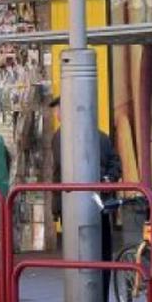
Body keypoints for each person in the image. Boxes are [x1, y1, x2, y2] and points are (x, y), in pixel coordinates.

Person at [48, 95, 124, 263]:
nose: (57, 115)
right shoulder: (99, 135)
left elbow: (63, 169)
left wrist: (108, 179)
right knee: (101, 250)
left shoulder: (62, 137)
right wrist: (108, 180)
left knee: (81, 253)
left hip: (74, 202)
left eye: (58, 111)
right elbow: (115, 162)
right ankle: (101, 285)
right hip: (97, 200)